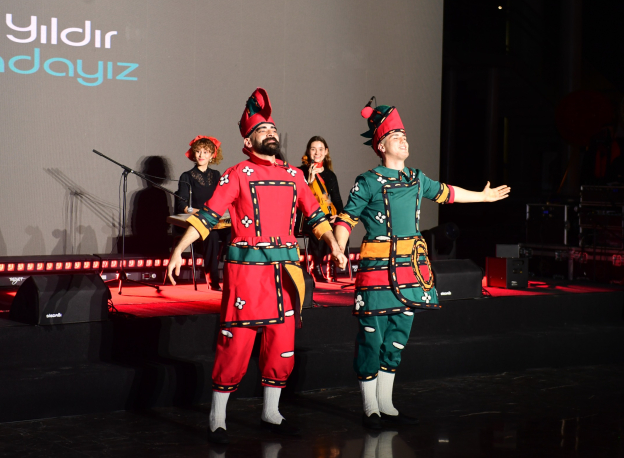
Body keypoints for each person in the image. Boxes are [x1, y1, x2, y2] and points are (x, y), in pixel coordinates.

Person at [166, 88, 347, 444]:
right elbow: (209, 215)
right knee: (236, 343)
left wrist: (335, 245)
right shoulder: (237, 173)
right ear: (248, 141)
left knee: (282, 342)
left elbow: (316, 216)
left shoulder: (294, 175)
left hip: (286, 273)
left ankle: (271, 412)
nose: (271, 133)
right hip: (248, 273)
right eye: (263, 130)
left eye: (273, 129)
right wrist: (179, 249)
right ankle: (218, 417)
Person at [333, 97, 510, 430]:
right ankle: (370, 407)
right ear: (381, 145)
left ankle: (387, 405)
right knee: (372, 336)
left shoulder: (417, 178)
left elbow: (448, 192)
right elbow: (346, 218)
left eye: (405, 135)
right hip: (378, 270)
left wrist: (482, 196)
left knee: (398, 336)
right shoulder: (368, 181)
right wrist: (339, 245)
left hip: (411, 269)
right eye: (396, 136)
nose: (404, 140)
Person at [174, 136, 228, 291]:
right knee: (212, 235)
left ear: (212, 155)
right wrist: (203, 212)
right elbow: (182, 205)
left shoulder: (216, 175)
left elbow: (222, 199)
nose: (201, 155)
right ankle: (213, 280)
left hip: (216, 220)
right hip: (199, 221)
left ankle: (230, 274)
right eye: (198, 151)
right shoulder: (186, 176)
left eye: (205, 152)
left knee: (233, 233)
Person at [299, 136, 344, 280]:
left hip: (327, 215)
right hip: (307, 217)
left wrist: (339, 216)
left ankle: (333, 263)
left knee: (339, 226)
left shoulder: (330, 175)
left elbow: (337, 200)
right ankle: (316, 266)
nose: (317, 153)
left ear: (326, 151)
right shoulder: (300, 172)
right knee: (318, 225)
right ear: (308, 151)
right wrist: (309, 180)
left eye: (320, 149)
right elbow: (299, 198)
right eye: (313, 149)